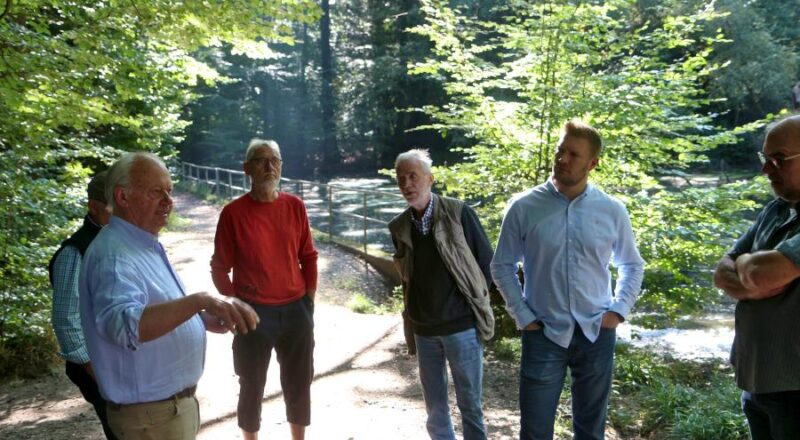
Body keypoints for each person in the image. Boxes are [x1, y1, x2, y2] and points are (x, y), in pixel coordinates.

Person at [79, 152, 259, 440]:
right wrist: (200, 300)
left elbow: (152, 309)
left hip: (164, 413)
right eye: (155, 192)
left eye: (169, 191)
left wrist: (200, 318)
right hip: (151, 417)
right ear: (122, 197)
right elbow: (128, 326)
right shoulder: (115, 256)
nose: (168, 200)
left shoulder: (140, 244)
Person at [491, 119, 645, 440]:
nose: (563, 158)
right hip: (543, 331)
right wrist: (524, 316)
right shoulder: (523, 207)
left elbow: (631, 264)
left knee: (590, 431)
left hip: (596, 334)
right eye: (561, 150)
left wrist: (617, 311)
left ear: (593, 163)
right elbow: (502, 265)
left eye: (573, 154)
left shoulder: (612, 210)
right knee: (535, 432)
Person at [210, 139, 318, 440]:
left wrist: (309, 299)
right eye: (261, 160)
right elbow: (219, 267)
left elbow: (308, 256)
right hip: (253, 313)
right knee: (252, 384)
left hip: (296, 309)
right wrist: (234, 306)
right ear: (247, 169)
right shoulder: (233, 213)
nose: (270, 166)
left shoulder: (295, 206)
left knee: (299, 382)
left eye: (275, 160)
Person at [388, 149, 495, 440]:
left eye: (413, 176)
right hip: (424, 331)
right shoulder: (398, 227)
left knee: (470, 405)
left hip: (462, 328)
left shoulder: (459, 213)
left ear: (430, 179)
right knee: (435, 410)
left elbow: (488, 264)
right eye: (401, 179)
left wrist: (472, 303)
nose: (407, 184)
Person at [713, 114, 800, 440]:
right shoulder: (775, 210)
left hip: (794, 388)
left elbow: (758, 274)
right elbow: (722, 272)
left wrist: (747, 267)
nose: (766, 169)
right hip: (757, 380)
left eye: (779, 159)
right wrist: (750, 277)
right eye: (765, 158)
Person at [49, 171, 116, 440]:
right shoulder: (75, 252)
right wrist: (92, 366)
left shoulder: (115, 240)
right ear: (95, 207)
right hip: (100, 365)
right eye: (116, 205)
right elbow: (66, 318)